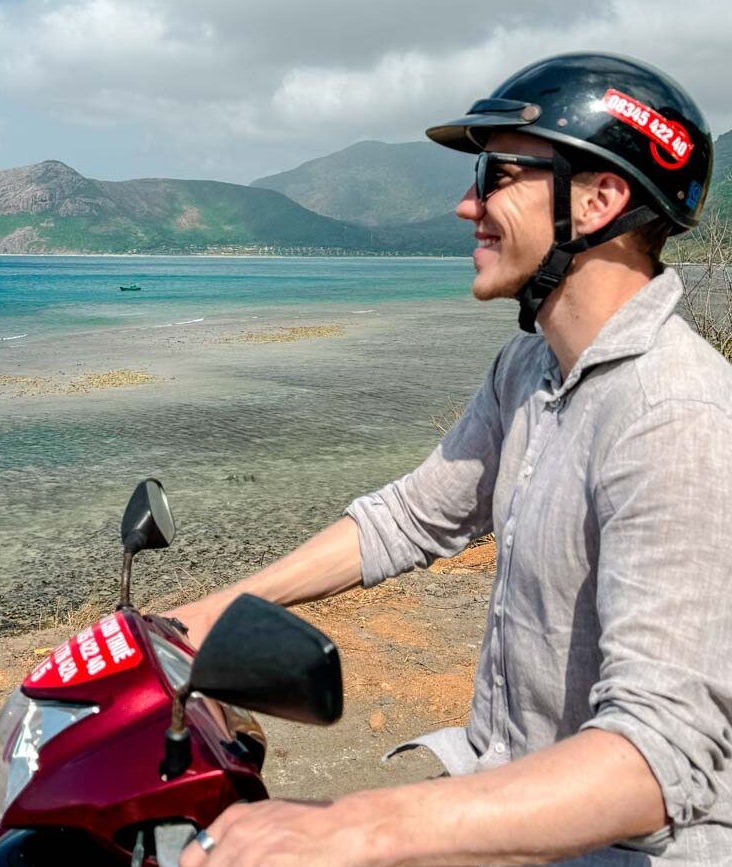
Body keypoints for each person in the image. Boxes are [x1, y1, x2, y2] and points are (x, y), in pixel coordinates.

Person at [174, 52, 732, 866]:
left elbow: (656, 756)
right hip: (503, 785)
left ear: (601, 198)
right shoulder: (531, 369)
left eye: (498, 172)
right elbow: (408, 518)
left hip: (624, 846)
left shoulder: (676, 418)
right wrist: (194, 622)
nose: (466, 201)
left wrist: (360, 825)